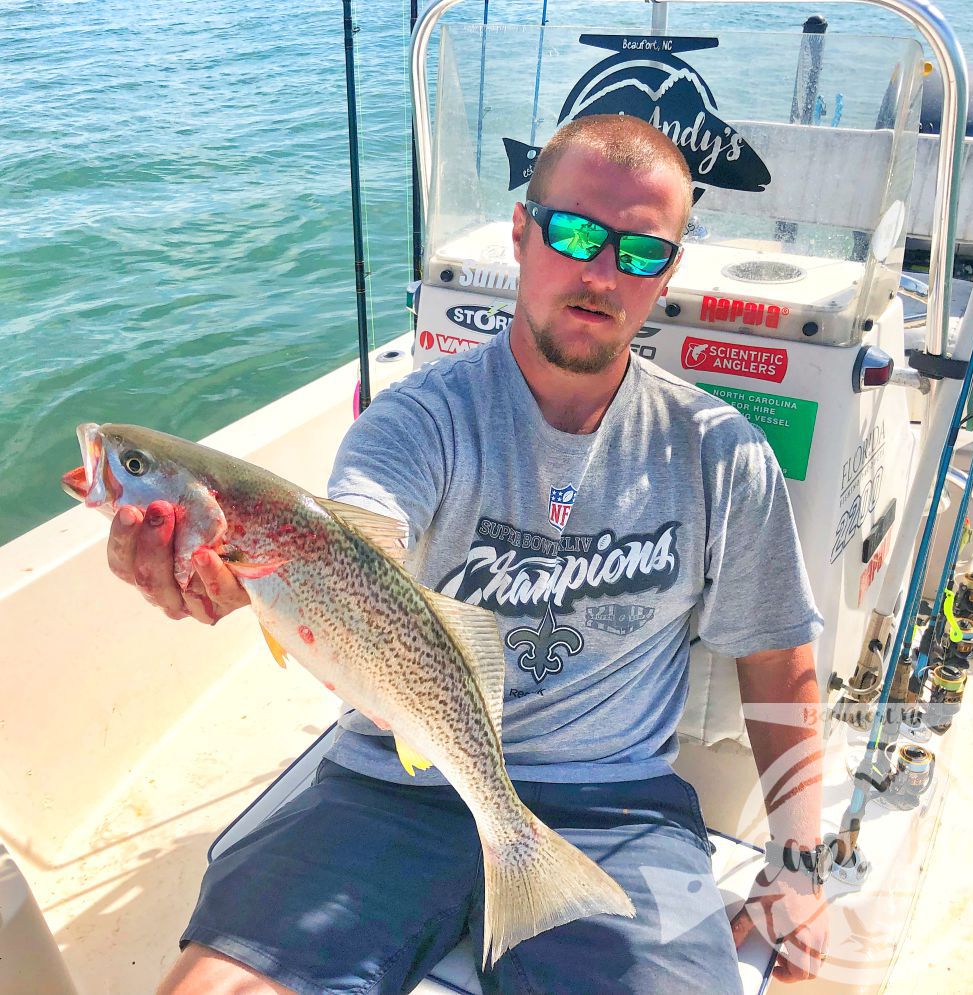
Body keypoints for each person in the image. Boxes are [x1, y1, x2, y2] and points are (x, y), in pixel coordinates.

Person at [109, 114, 828, 995]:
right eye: (573, 233)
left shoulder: (719, 451)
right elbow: (356, 534)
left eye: (639, 253)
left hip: (615, 810)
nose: (601, 273)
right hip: (392, 781)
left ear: (667, 273)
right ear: (522, 237)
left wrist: (798, 863)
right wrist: (220, 582)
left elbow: (777, 656)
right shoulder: (418, 423)